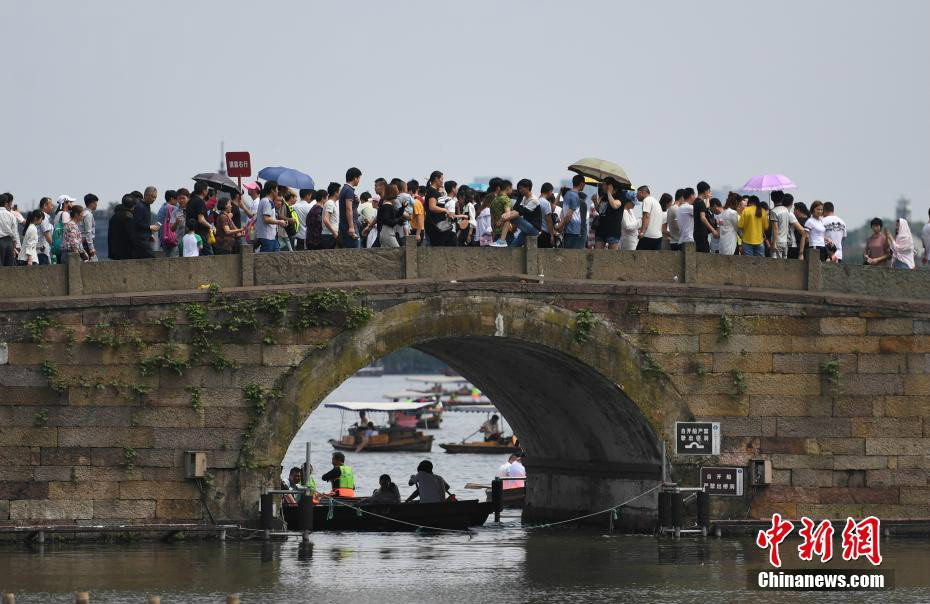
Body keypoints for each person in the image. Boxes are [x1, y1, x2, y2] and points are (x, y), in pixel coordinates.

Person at [503, 179, 541, 248]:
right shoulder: (524, 198)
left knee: (513, 217)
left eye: (521, 188)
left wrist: (503, 219)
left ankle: (502, 239)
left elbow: (518, 213)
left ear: (527, 188)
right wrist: (504, 215)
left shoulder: (533, 200)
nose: (519, 191)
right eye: (519, 189)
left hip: (533, 229)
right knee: (513, 246)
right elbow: (516, 211)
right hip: (527, 228)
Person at [556, 174, 587, 249]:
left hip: (568, 230)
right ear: (581, 184)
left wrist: (561, 226)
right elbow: (569, 216)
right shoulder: (574, 196)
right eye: (584, 184)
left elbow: (564, 212)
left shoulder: (567, 194)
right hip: (573, 231)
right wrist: (561, 226)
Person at [255, 181, 287, 252]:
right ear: (272, 190)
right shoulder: (267, 202)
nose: (277, 191)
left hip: (271, 236)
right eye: (277, 189)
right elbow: (266, 219)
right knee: (266, 260)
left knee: (276, 258)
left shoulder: (265, 201)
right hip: (267, 237)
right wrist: (279, 222)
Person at [424, 170, 454, 247]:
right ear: (436, 179)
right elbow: (432, 207)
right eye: (441, 179)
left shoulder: (435, 192)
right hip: (434, 225)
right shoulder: (432, 191)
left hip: (439, 225)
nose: (442, 181)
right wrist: (445, 210)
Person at [594, 180, 623, 250]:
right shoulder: (604, 196)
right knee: (597, 255)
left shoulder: (620, 195)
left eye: (603, 184)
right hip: (601, 230)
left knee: (613, 257)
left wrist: (609, 193)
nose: (602, 186)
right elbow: (601, 211)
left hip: (613, 231)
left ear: (610, 186)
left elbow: (615, 205)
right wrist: (595, 202)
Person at [131, 186, 159, 259]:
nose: (154, 199)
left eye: (155, 197)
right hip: (140, 240)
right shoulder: (140, 207)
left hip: (145, 239)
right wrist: (150, 227)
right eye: (153, 197)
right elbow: (137, 223)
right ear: (146, 195)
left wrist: (150, 234)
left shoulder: (147, 206)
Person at [187, 181, 214, 255]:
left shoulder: (190, 201)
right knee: (209, 255)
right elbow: (201, 219)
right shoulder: (200, 202)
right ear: (204, 191)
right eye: (207, 189)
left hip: (191, 233)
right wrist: (210, 226)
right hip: (200, 234)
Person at [339, 167, 362, 248]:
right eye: (359, 178)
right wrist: (351, 227)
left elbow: (351, 208)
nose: (359, 180)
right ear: (355, 178)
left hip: (345, 225)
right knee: (355, 252)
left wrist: (357, 203)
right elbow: (348, 209)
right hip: (350, 226)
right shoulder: (349, 190)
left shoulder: (344, 189)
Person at [692, 182, 717, 253]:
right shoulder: (700, 202)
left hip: (697, 233)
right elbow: (703, 218)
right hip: (701, 234)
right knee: (704, 255)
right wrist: (713, 230)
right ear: (705, 191)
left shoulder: (696, 201)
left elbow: (705, 209)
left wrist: (708, 199)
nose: (709, 193)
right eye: (709, 191)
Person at [108, 194, 135, 260]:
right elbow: (131, 235)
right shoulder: (128, 216)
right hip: (126, 252)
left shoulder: (114, 216)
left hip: (114, 251)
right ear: (133, 205)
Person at [636, 186, 663, 250]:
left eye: (637, 193)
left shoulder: (646, 200)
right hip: (658, 236)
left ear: (642, 192)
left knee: (638, 257)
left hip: (648, 236)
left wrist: (642, 232)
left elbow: (646, 216)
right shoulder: (655, 201)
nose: (636, 196)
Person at [0, 193, 21, 266]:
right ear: (6, 203)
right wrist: (14, 248)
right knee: (9, 268)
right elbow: (15, 234)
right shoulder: (11, 215)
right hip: (9, 243)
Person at [321, 182, 341, 249]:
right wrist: (334, 233)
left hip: (331, 235)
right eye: (340, 191)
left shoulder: (334, 203)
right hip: (329, 235)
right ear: (336, 192)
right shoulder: (330, 203)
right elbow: (326, 220)